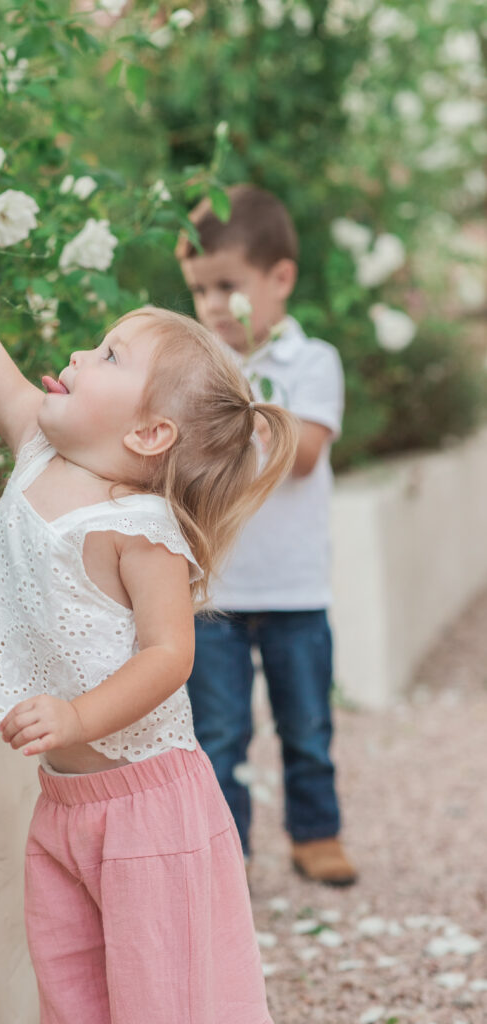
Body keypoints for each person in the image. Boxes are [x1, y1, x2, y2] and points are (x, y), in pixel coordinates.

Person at [0, 131, 298, 1024]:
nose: (77, 355)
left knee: (170, 1001)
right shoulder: (35, 447)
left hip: (153, 815)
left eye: (108, 357)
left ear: (151, 435)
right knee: (74, 998)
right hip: (67, 806)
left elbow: (167, 655)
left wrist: (76, 716)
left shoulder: (137, 527)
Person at [177, 184, 357, 886]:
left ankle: (316, 833)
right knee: (218, 734)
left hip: (293, 588)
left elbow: (302, 454)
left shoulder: (310, 363)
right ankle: (227, 854)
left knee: (306, 727)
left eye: (228, 286)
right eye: (199, 291)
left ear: (278, 278)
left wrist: (239, 395)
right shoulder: (196, 370)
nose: (213, 306)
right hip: (216, 590)